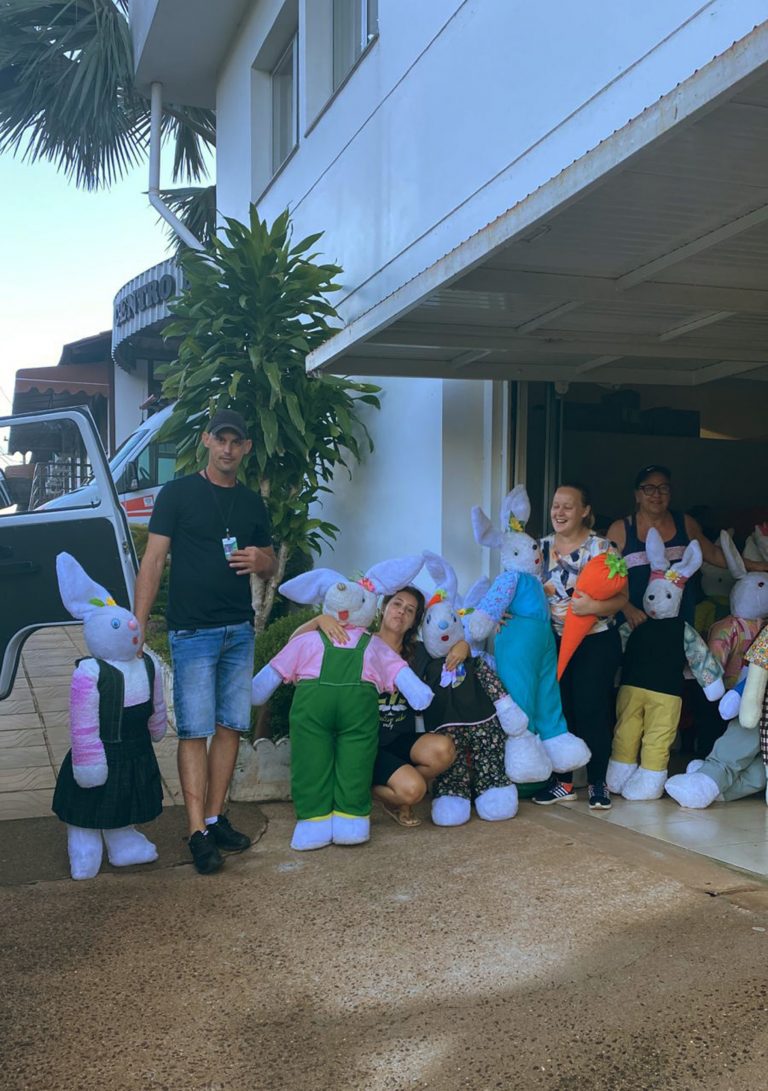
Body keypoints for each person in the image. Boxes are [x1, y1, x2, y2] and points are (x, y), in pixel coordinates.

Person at [134, 409, 276, 875]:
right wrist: (138, 624)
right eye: (221, 440)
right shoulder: (177, 494)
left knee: (230, 726)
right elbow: (154, 560)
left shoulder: (252, 504)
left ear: (247, 447)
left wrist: (262, 561)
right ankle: (196, 831)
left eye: (236, 442)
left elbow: (270, 561)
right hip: (192, 631)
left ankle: (215, 818)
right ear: (206, 441)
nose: (228, 449)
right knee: (195, 730)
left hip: (238, 630)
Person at [295, 587, 459, 827]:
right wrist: (319, 620)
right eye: (397, 604)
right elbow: (296, 644)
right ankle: (370, 789)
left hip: (400, 737)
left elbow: (453, 646)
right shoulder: (358, 641)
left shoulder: (421, 652)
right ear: (383, 608)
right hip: (363, 742)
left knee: (444, 749)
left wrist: (462, 647)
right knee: (414, 790)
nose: (401, 612)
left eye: (410, 610)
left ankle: (388, 791)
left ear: (414, 621)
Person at [533, 483, 627, 810]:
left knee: (591, 709)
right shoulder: (539, 548)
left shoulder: (603, 548)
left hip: (596, 640)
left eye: (568, 506)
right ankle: (564, 782)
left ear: (585, 511)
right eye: (555, 505)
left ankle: (598, 782)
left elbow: (623, 597)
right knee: (560, 710)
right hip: (552, 642)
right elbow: (522, 588)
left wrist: (594, 608)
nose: (559, 512)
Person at [606, 464, 768, 630]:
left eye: (663, 488)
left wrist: (756, 566)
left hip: (680, 622)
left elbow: (714, 554)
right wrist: (627, 609)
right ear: (637, 495)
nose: (657, 494)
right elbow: (604, 578)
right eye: (648, 488)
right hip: (634, 623)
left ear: (670, 493)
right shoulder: (620, 530)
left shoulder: (685, 523)